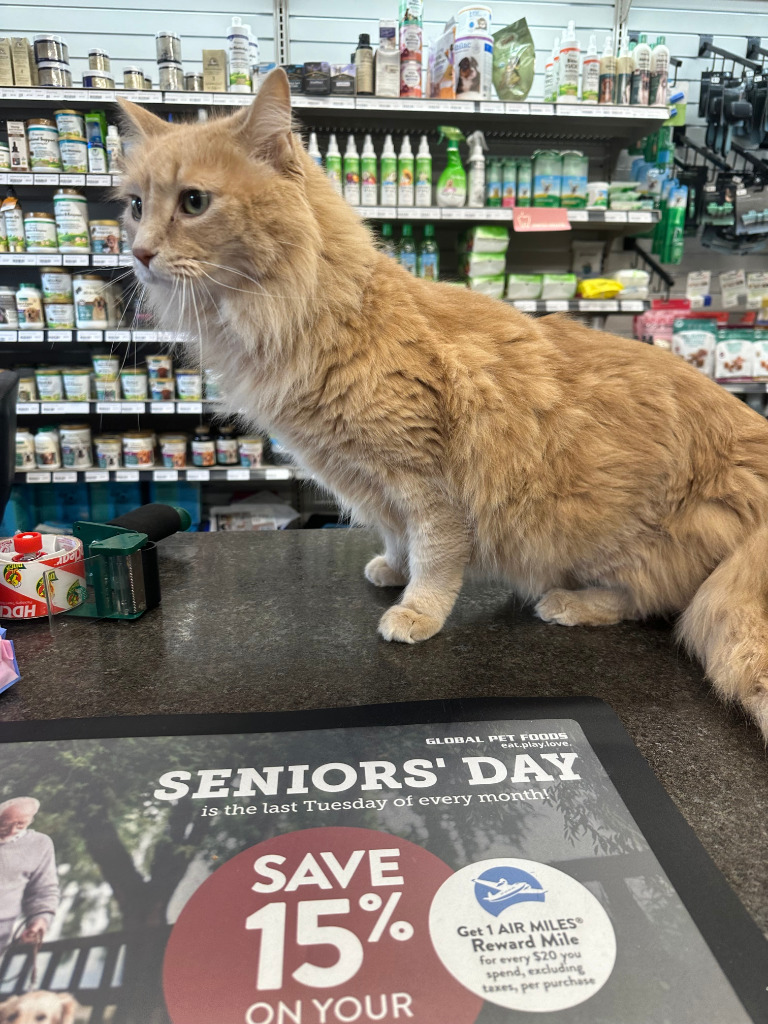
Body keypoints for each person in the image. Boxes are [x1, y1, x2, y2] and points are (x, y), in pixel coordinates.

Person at [0, 797, 60, 957]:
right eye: (4, 824)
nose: (12, 830)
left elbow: (44, 891)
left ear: (31, 820)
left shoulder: (40, 844)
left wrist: (39, 921)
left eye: (20, 824)